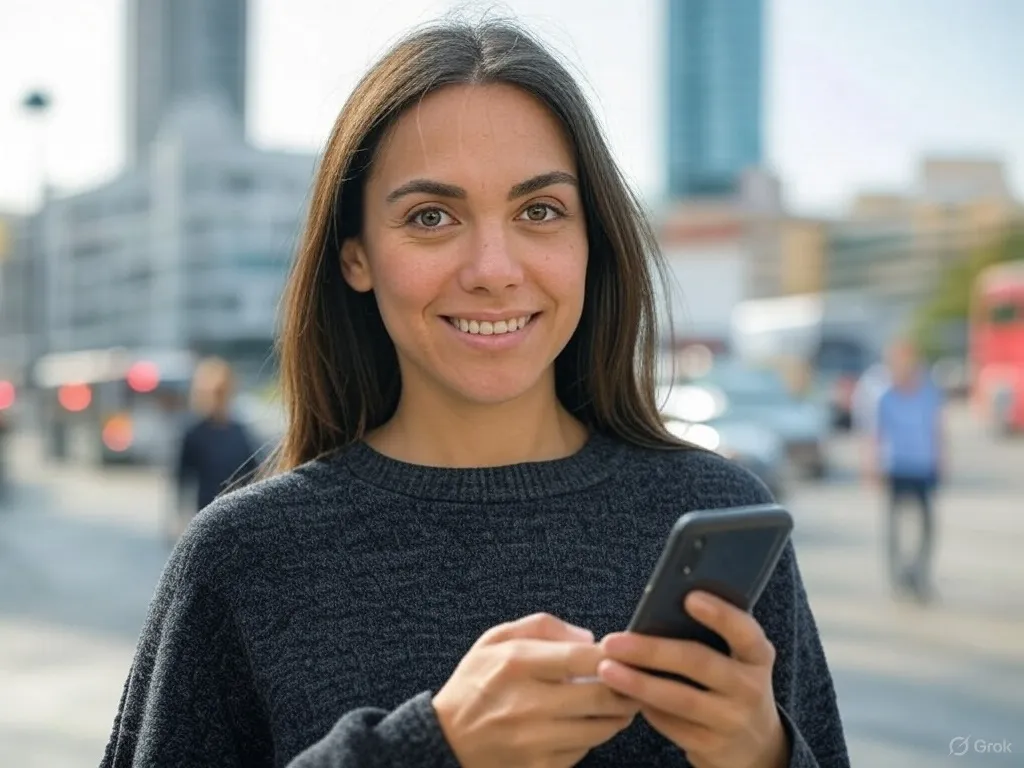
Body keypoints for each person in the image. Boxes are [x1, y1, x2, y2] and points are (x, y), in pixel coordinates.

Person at [102, 18, 849, 768]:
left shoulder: (718, 515)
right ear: (356, 256)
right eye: (432, 217)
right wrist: (428, 750)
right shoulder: (243, 559)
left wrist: (764, 753)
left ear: (592, 241)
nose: (494, 268)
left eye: (540, 211)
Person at [865, 338, 945, 602]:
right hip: (896, 466)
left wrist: (941, 458)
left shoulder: (928, 392)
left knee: (927, 526)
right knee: (895, 527)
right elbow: (876, 434)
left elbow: (936, 428)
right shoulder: (885, 395)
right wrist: (872, 465)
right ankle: (898, 577)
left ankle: (919, 573)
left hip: (923, 465)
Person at [172, 356, 260, 526]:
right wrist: (179, 519)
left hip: (239, 515)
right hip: (206, 516)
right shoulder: (194, 433)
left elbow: (255, 472)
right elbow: (182, 481)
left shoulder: (239, 432)